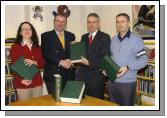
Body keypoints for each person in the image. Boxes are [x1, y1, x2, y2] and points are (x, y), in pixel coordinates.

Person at [109, 13, 148, 106]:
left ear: (129, 23)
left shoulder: (136, 39)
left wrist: (127, 67)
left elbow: (144, 60)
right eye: (117, 22)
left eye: (123, 21)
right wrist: (106, 69)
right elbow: (111, 58)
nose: (120, 24)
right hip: (112, 82)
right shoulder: (113, 39)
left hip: (127, 84)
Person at [76, 13, 111, 99]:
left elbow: (105, 57)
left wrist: (89, 63)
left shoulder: (105, 37)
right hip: (83, 76)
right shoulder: (83, 37)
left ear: (99, 23)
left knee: (97, 103)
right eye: (89, 22)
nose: (91, 24)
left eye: (94, 22)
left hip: (96, 78)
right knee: (85, 103)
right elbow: (81, 54)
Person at [41, 13, 75, 95]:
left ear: (66, 23)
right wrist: (60, 62)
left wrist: (71, 60)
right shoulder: (46, 36)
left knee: (68, 102)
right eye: (58, 21)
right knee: (55, 103)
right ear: (54, 22)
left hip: (69, 75)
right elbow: (46, 53)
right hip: (53, 75)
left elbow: (73, 52)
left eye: (63, 21)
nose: (60, 23)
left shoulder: (71, 35)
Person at [10, 22, 45, 100]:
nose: (26, 31)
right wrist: (21, 80)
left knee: (38, 108)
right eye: (24, 29)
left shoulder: (37, 47)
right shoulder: (15, 47)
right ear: (20, 32)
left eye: (29, 29)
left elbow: (42, 63)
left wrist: (35, 62)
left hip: (37, 83)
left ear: (32, 31)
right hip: (23, 84)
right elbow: (14, 67)